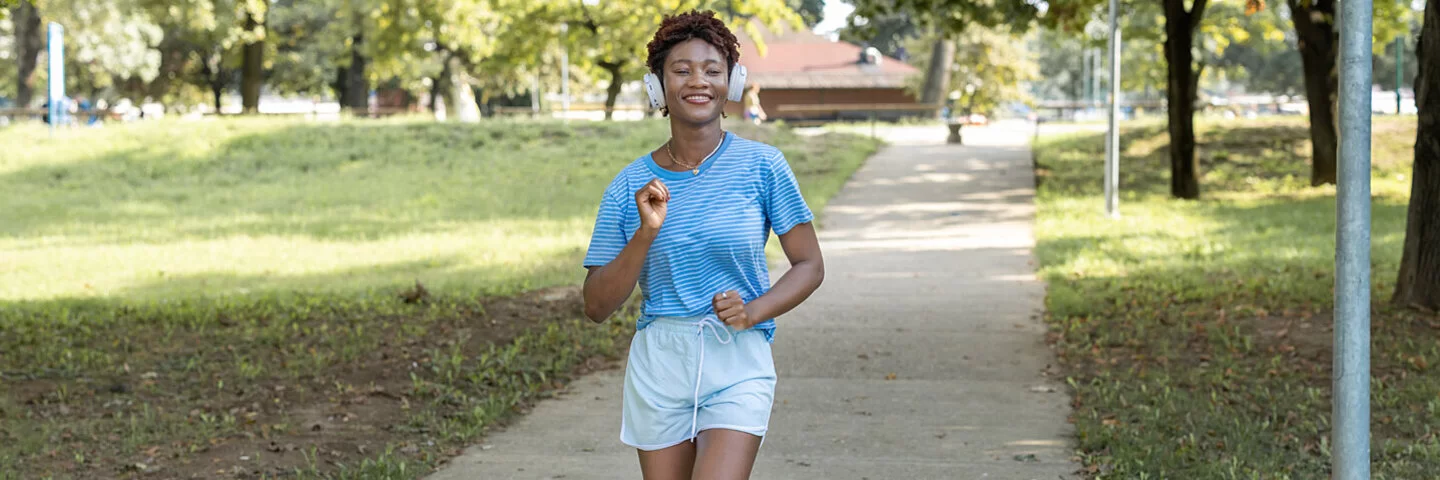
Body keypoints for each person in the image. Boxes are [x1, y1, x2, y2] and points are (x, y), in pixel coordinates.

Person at [580, 10, 825, 480]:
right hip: (661, 363)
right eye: (681, 69)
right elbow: (596, 305)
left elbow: (810, 265)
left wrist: (755, 311)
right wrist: (646, 231)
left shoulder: (764, 167)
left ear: (732, 83)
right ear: (658, 86)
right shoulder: (628, 185)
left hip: (737, 355)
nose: (699, 81)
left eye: (713, 70)